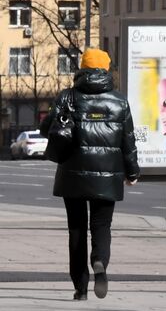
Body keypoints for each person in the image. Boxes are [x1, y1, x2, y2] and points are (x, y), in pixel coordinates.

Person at [40, 48, 140, 301]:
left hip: (72, 173)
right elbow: (128, 140)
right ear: (106, 69)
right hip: (108, 174)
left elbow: (46, 129)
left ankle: (80, 288)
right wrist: (133, 172)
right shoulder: (119, 101)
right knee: (101, 225)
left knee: (76, 229)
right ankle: (100, 262)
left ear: (82, 69)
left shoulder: (68, 97)